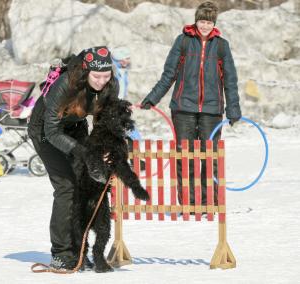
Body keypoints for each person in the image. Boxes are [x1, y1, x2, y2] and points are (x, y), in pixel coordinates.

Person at [140, 1, 241, 206]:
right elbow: (169, 74)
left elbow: (230, 79)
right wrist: (153, 97)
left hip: (212, 110)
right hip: (183, 108)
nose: (205, 26)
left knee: (209, 158)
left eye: (209, 22)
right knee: (186, 157)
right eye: (202, 21)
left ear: (214, 23)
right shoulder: (183, 41)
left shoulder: (222, 46)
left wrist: (233, 109)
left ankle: (208, 203)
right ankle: (189, 203)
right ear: (196, 21)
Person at [28, 46, 119, 270]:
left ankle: (80, 247)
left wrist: (107, 144)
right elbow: (51, 130)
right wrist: (82, 151)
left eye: (106, 76)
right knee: (67, 186)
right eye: (97, 76)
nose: (101, 81)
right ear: (86, 71)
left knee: (84, 185)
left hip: (76, 126)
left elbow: (105, 119)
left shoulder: (110, 84)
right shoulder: (65, 84)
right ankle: (61, 252)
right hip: (45, 131)